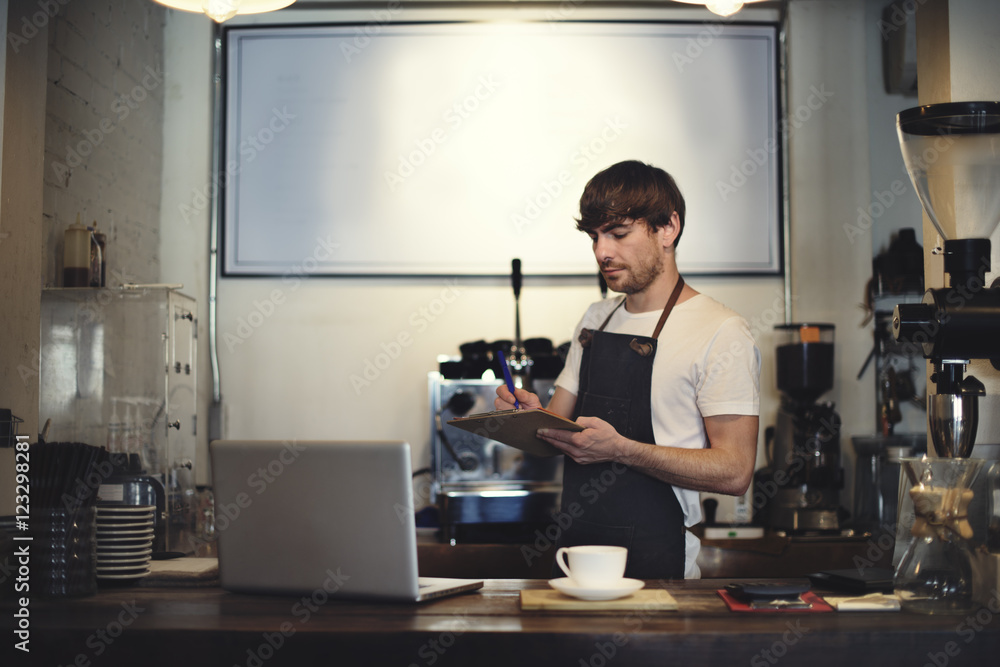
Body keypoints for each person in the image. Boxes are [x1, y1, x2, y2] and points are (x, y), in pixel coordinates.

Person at [495, 160, 760, 579]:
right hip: (578, 555)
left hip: (660, 558)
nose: (603, 252)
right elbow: (557, 432)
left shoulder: (721, 332)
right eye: (595, 236)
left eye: (618, 234)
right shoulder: (594, 319)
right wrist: (527, 416)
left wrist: (623, 450)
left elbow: (735, 470)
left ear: (668, 228)